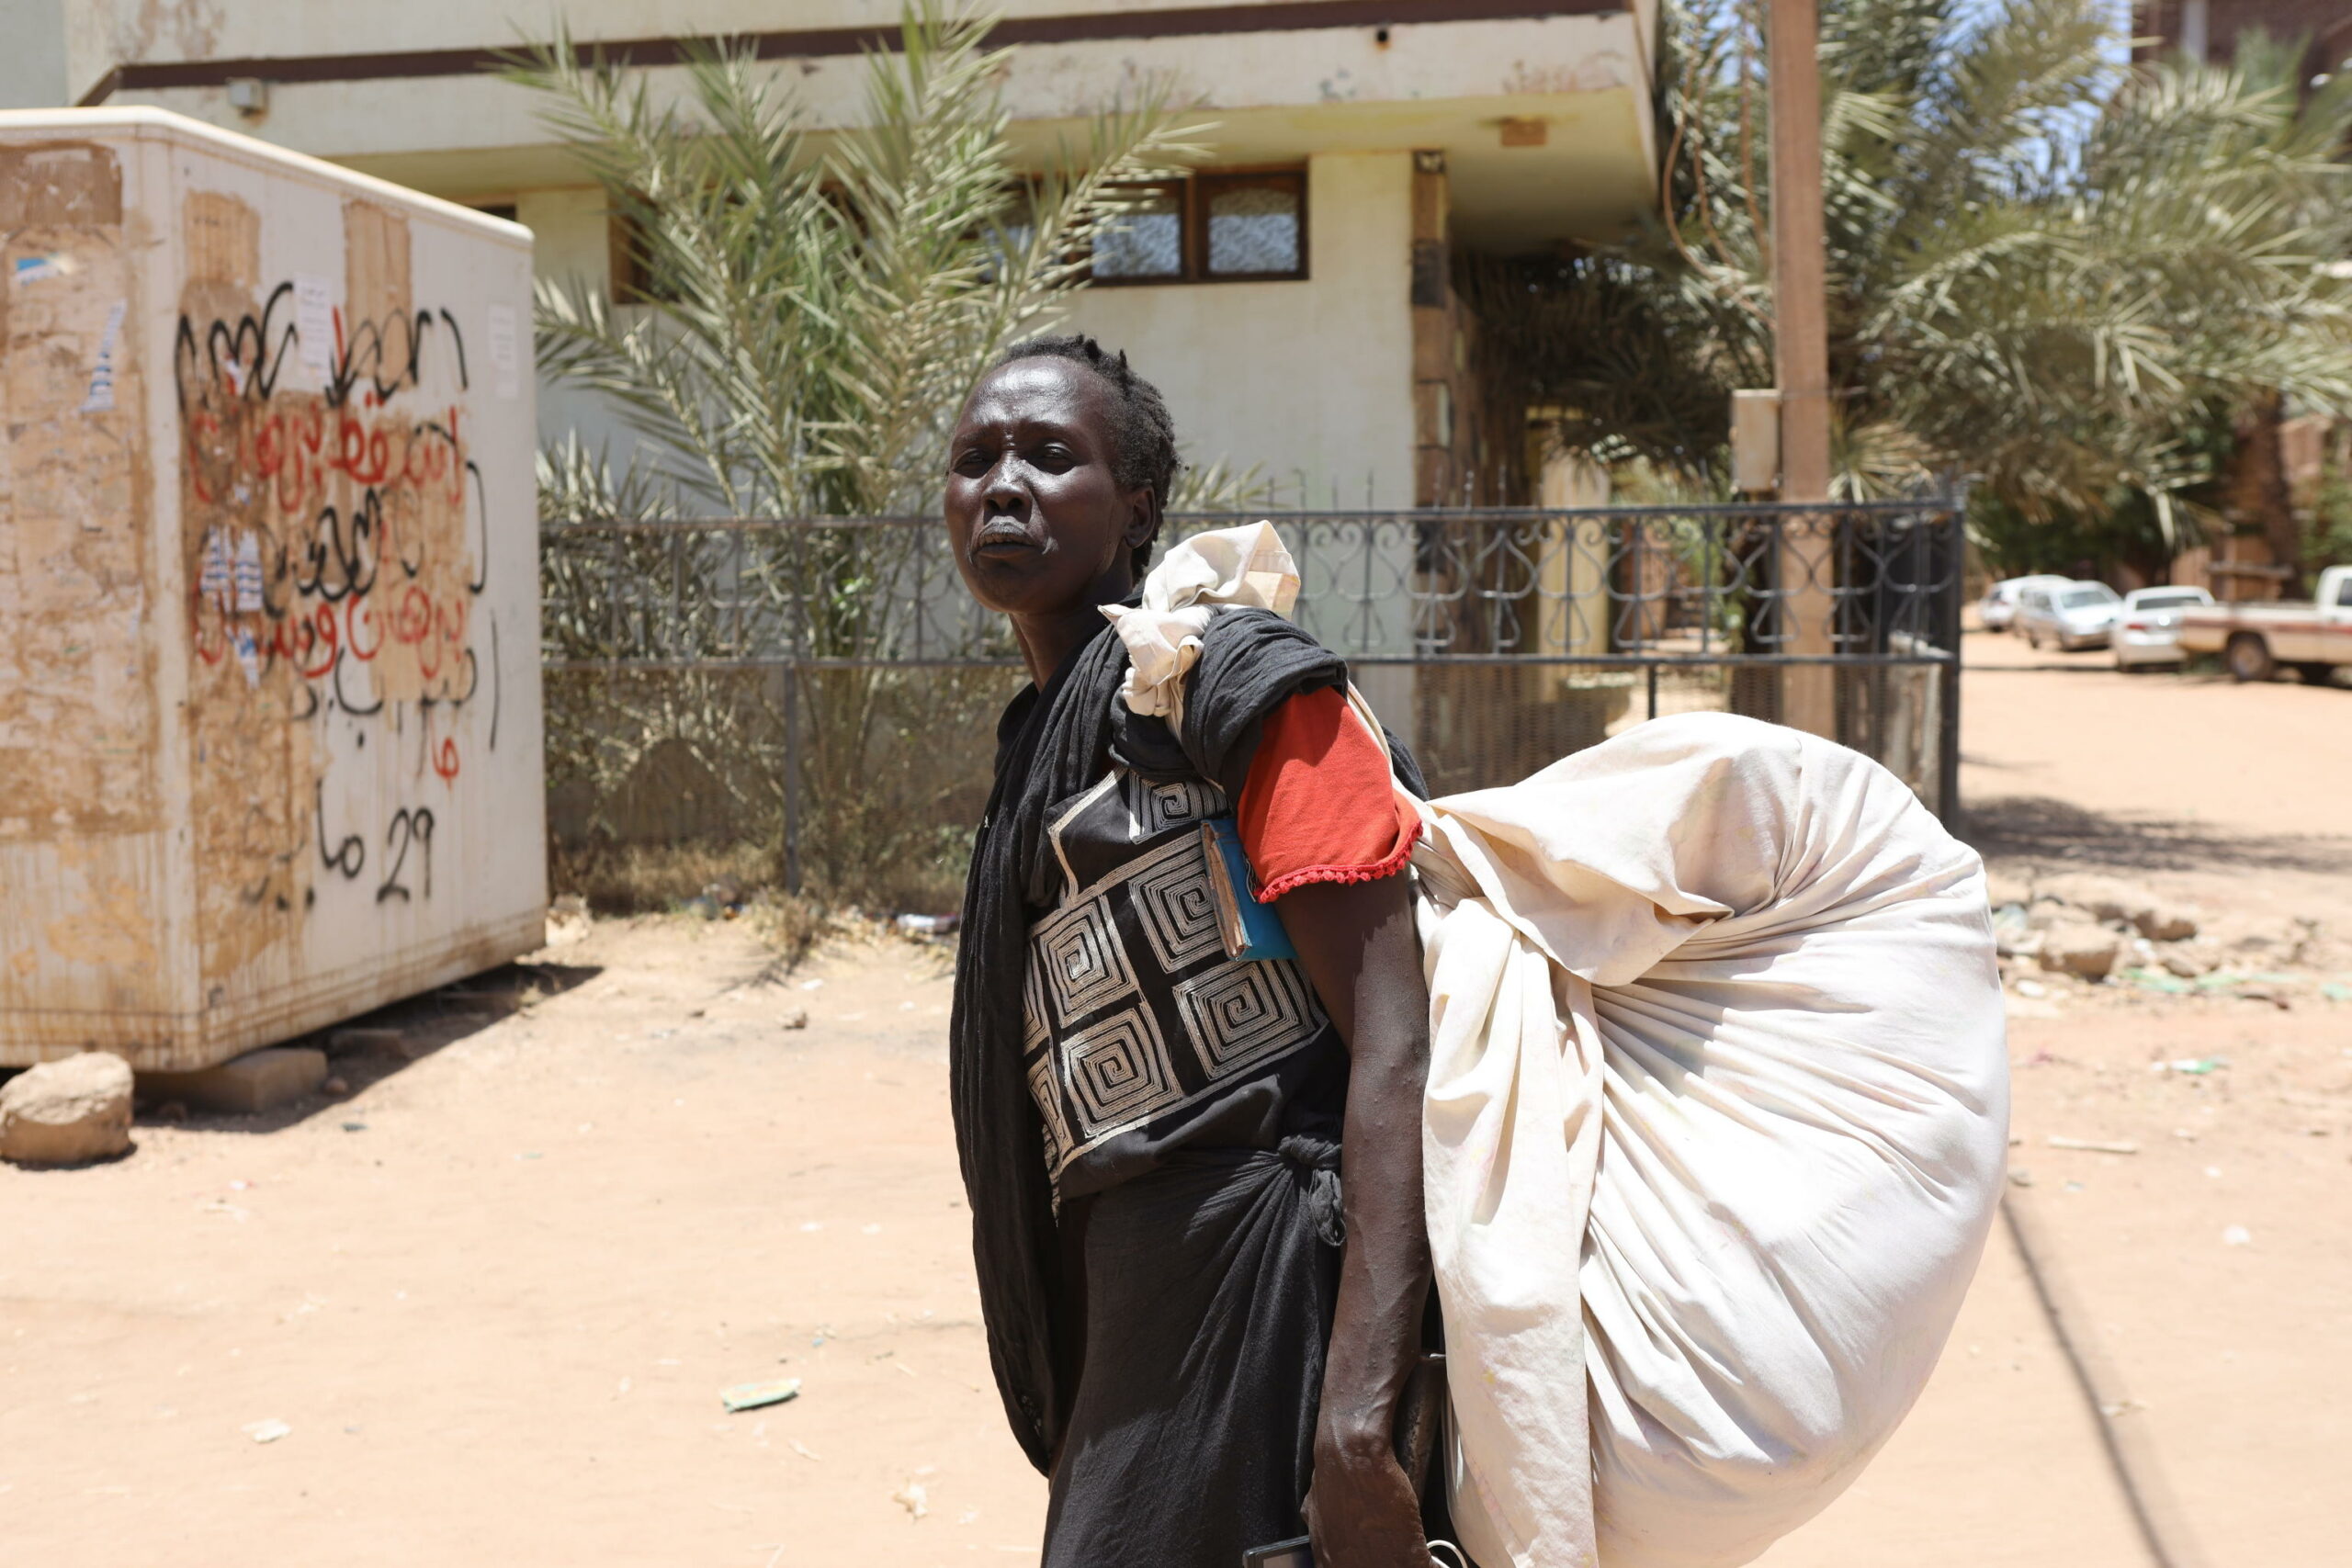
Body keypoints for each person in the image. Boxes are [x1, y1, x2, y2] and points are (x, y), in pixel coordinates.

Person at [944, 334, 1440, 1568]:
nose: (1002, 486)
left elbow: (1396, 1039)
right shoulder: (1043, 742)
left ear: (1140, 507)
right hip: (1139, 1305)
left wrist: (1358, 1424)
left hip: (1272, 1290)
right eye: (974, 460)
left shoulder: (1233, 688)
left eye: (1052, 458)